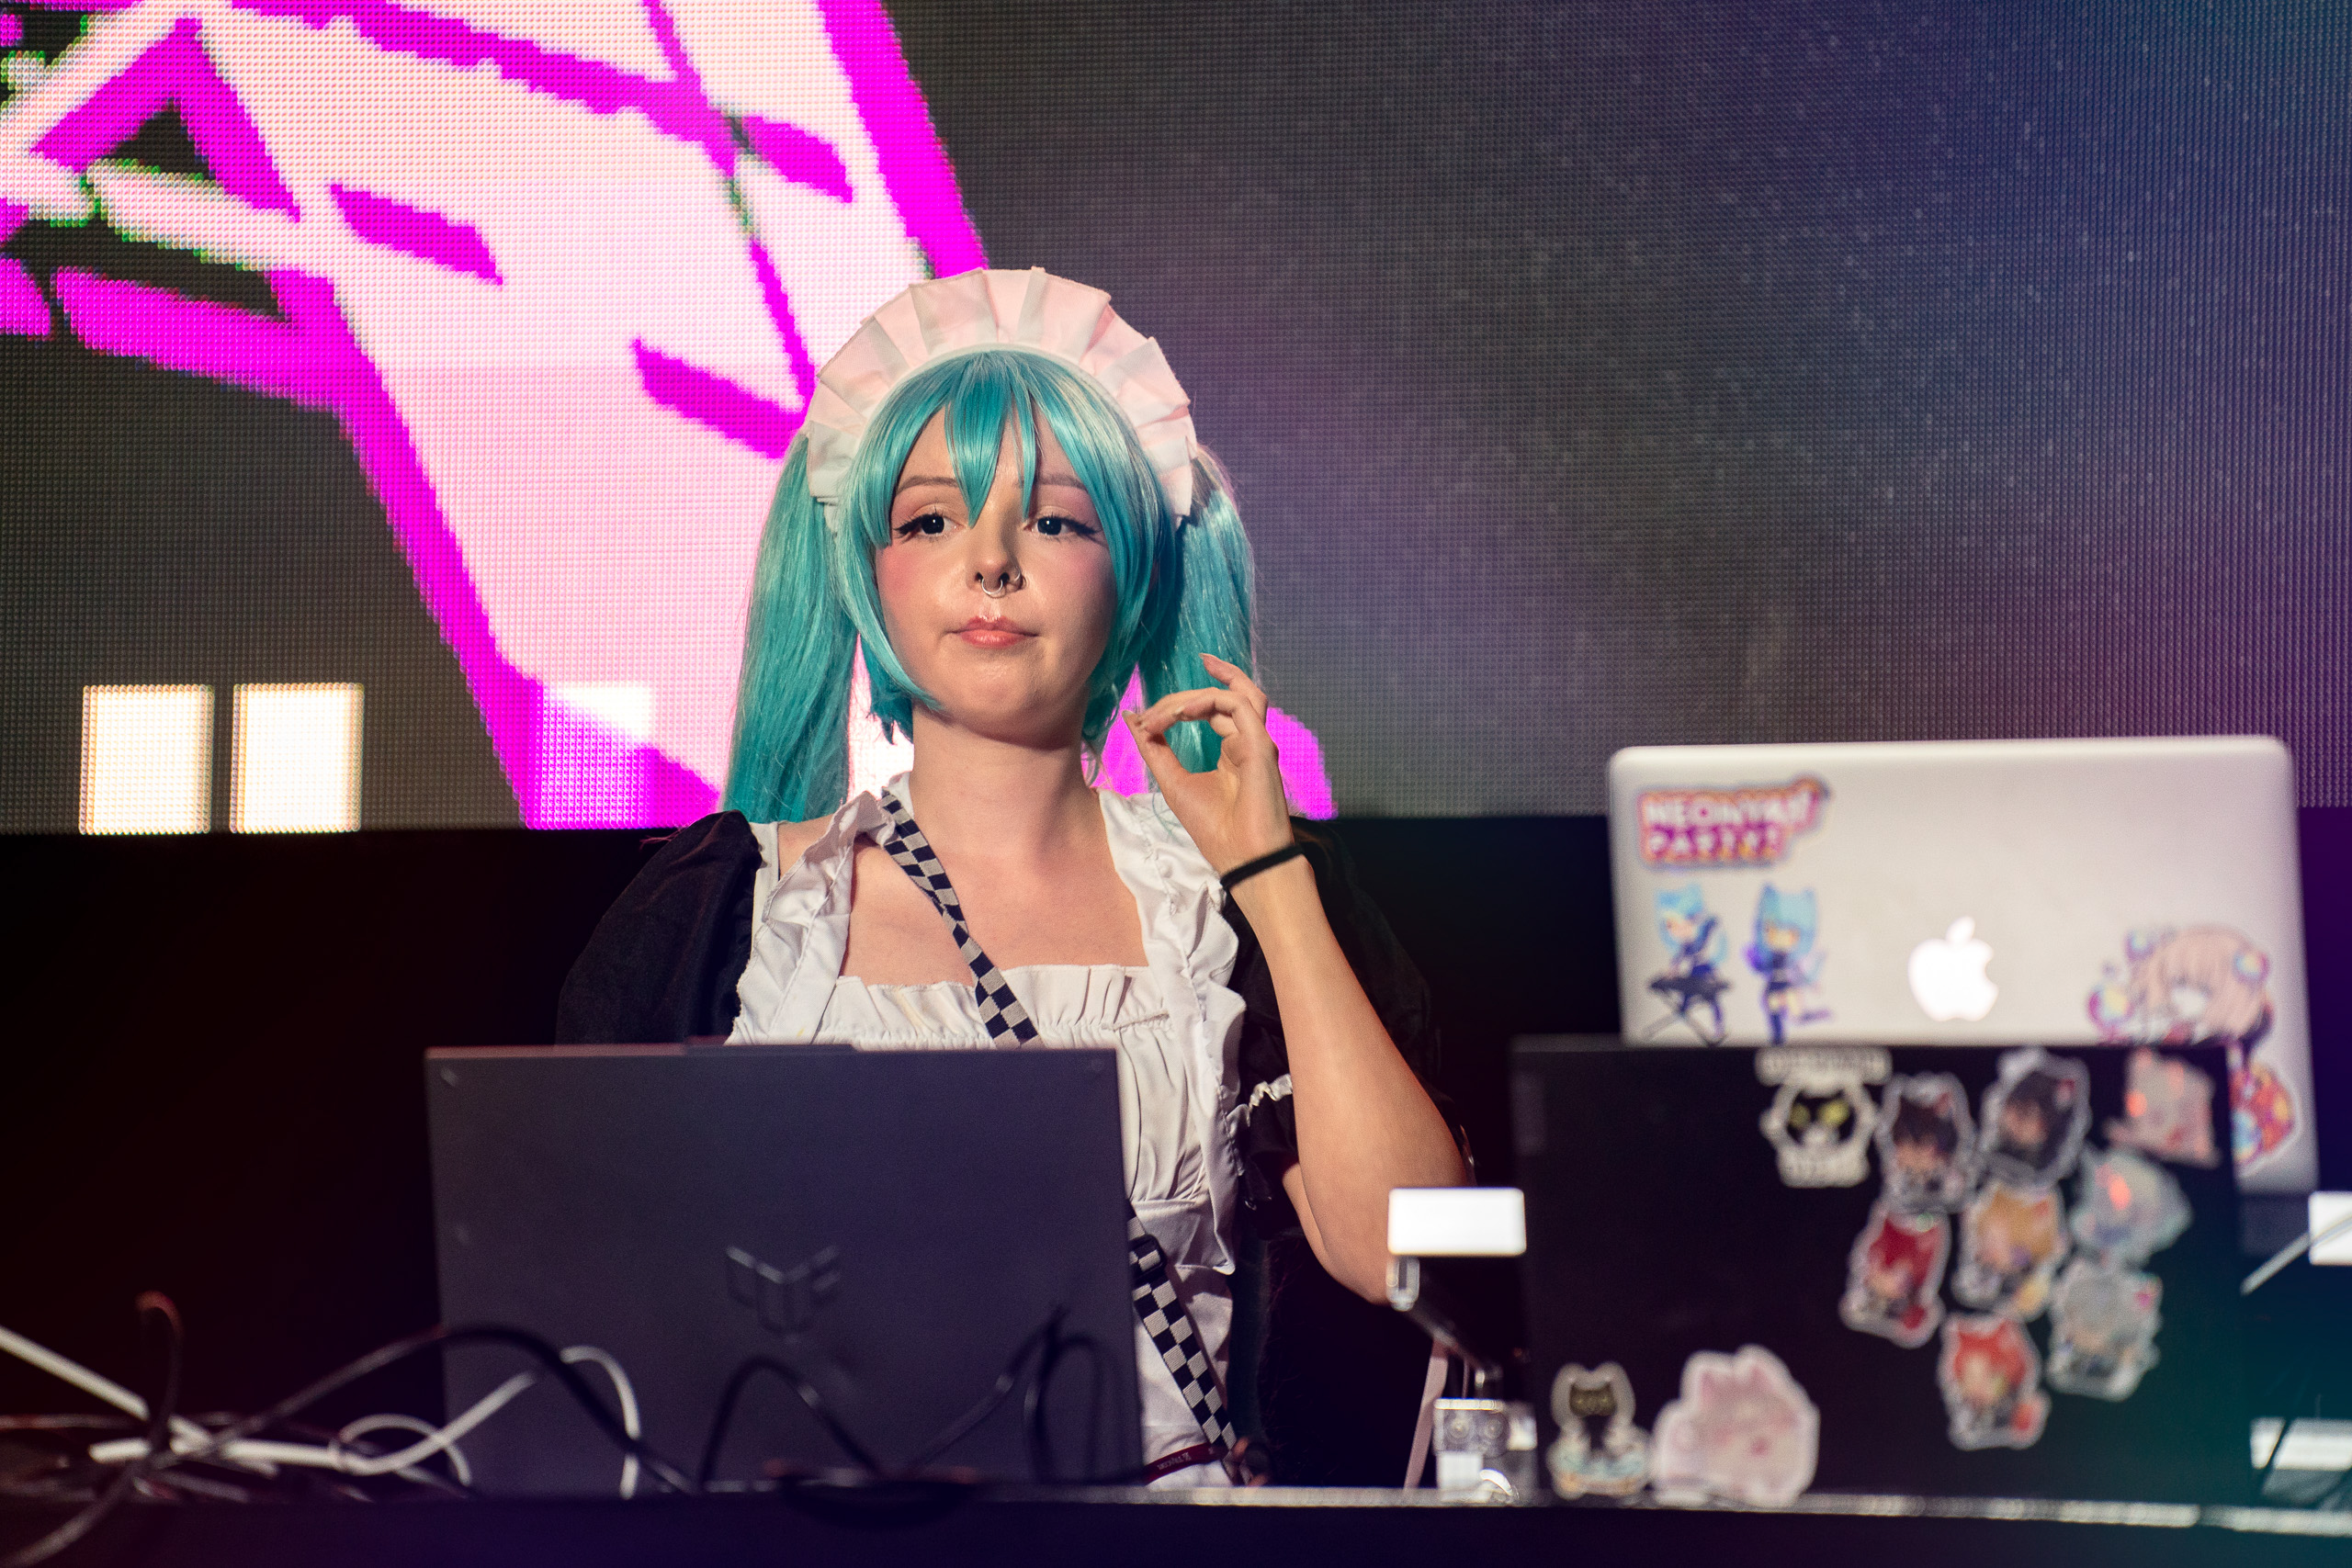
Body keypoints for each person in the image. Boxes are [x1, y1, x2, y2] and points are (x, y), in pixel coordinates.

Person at [557, 267, 1469, 1485]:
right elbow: (586, 1325)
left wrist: (1269, 872)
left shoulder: (1222, 910)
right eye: (931, 521)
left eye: (1057, 522)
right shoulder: (727, 913)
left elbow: (1411, 1257)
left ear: (1132, 572)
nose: (990, 563)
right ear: (865, 570)